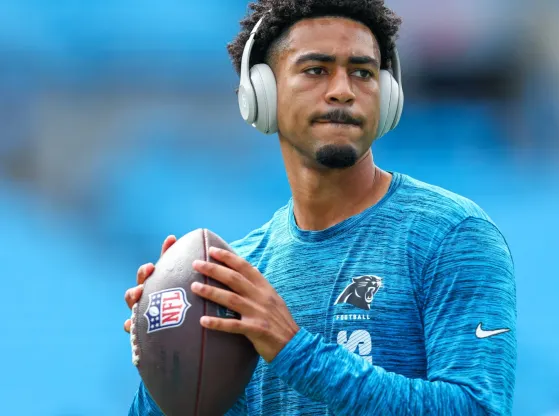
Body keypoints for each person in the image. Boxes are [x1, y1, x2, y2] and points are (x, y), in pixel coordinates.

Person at [123, 0, 517, 414]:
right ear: (262, 93)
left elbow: (478, 408)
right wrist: (165, 361)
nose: (343, 90)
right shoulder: (240, 275)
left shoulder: (450, 235)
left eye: (362, 72)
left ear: (388, 98)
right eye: (316, 70)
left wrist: (294, 349)